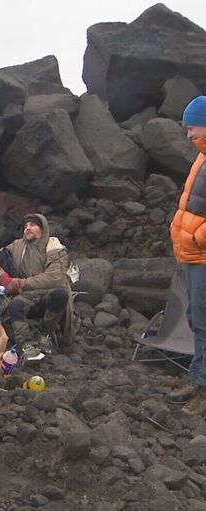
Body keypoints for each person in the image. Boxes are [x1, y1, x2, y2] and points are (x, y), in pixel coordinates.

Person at [0, 213, 76, 359]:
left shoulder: (54, 247)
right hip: (26, 296)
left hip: (46, 294)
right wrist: (5, 279)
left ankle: (45, 333)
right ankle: (26, 344)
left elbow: (55, 277)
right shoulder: (17, 246)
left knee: (60, 295)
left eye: (32, 225)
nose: (27, 228)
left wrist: (21, 283)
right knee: (15, 305)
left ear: (42, 229)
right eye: (25, 226)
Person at [168, 95, 206, 416]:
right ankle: (197, 379)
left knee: (205, 321)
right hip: (196, 256)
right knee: (197, 320)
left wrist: (197, 236)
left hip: (204, 254)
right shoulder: (202, 158)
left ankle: (204, 390)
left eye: (191, 127)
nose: (188, 135)